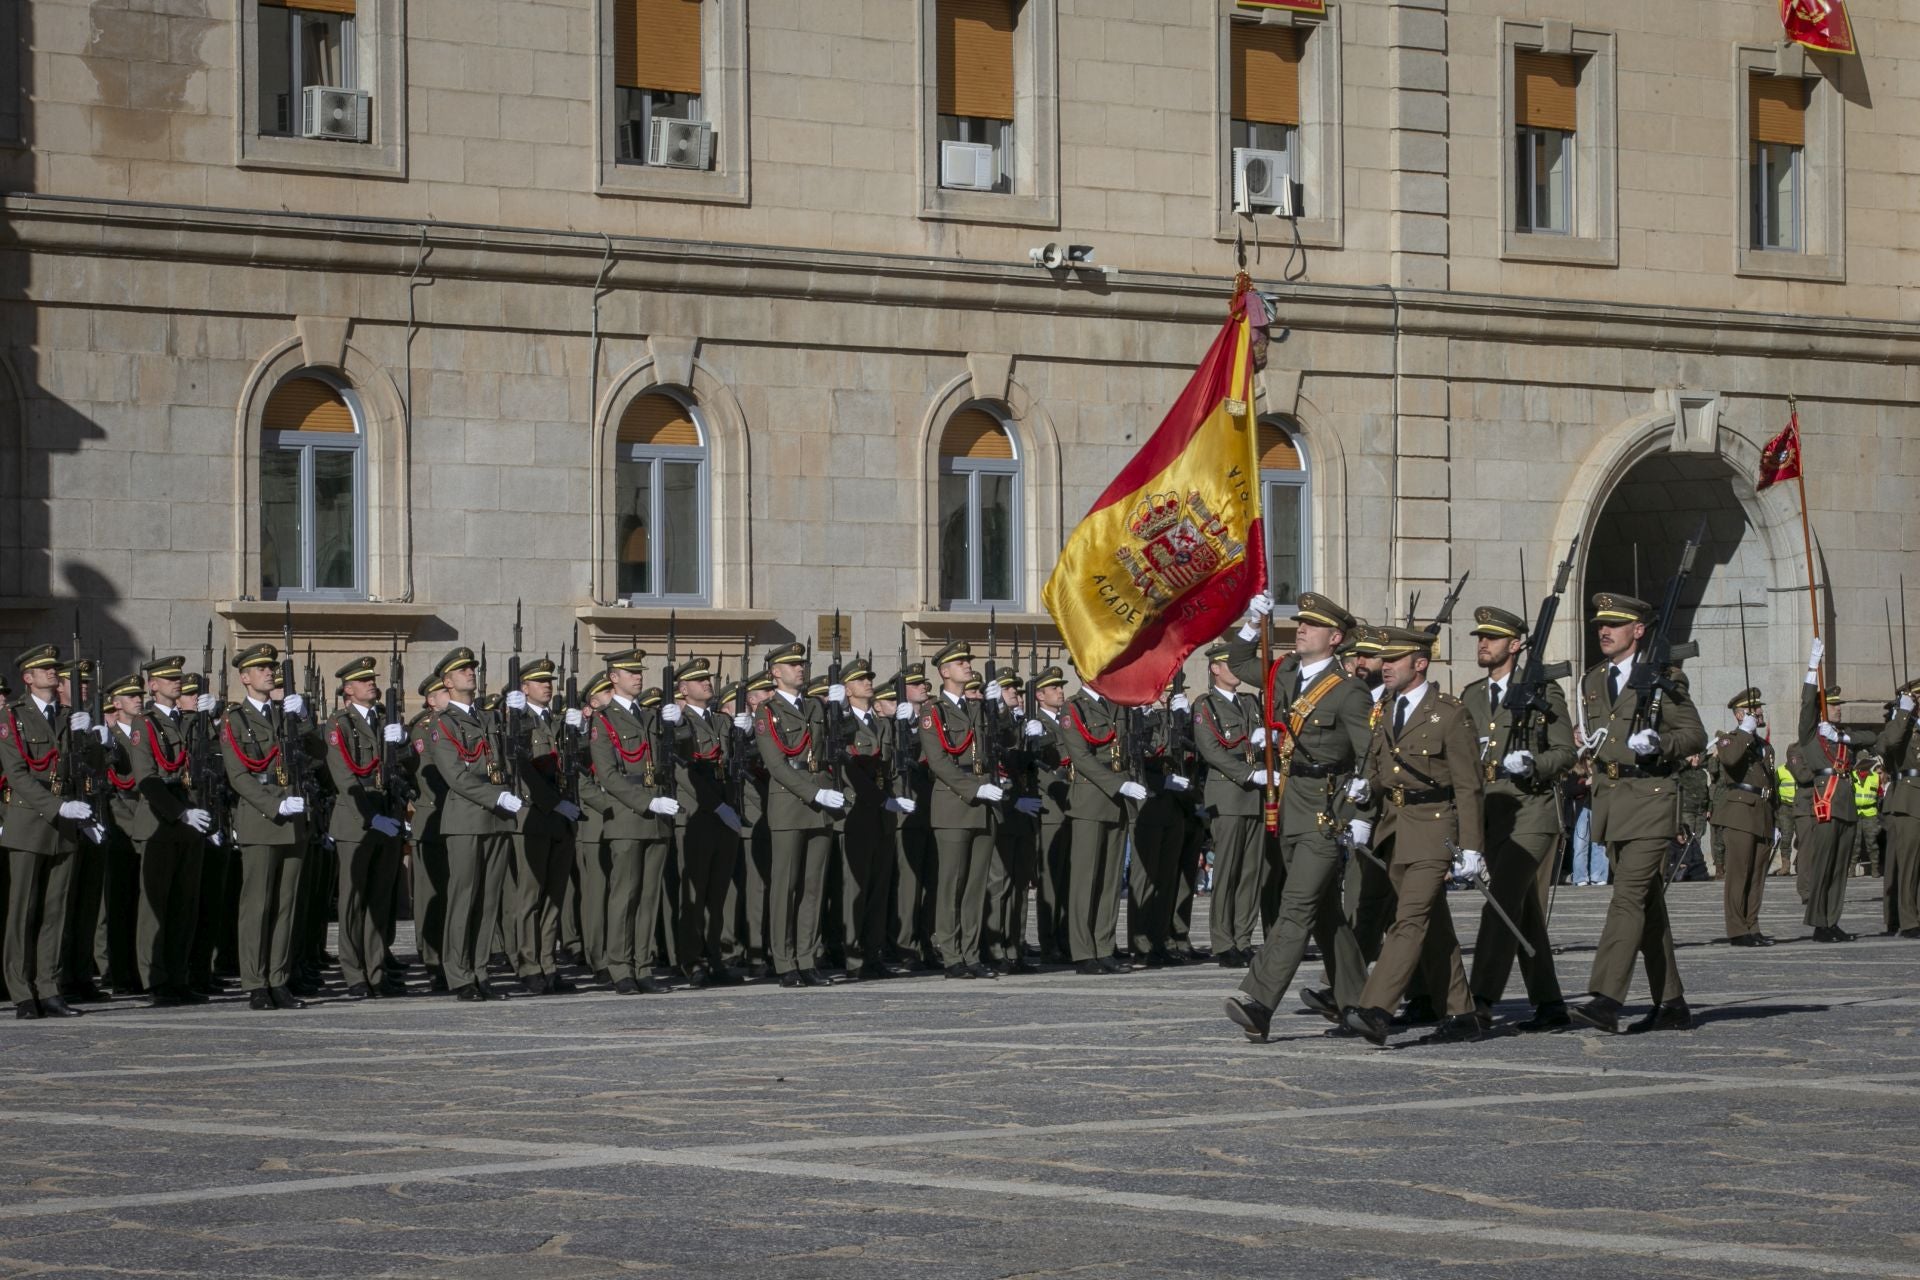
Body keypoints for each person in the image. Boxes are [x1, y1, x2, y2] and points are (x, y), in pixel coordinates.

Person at [1220, 592, 1372, 1038]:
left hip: (1326, 810)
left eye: (1312, 625)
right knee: (1326, 914)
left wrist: (1359, 811)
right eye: (1299, 622)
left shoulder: (1349, 692)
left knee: (1296, 906)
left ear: (1335, 638)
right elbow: (1239, 661)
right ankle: (1363, 1006)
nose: (1300, 629)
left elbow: (1372, 758)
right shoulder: (1284, 671)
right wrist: (1253, 621)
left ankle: (1260, 1002)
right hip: (1289, 804)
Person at [1337, 626, 1487, 1047]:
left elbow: (1469, 786)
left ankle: (1375, 1007)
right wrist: (1365, 798)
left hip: (1435, 827)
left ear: (1419, 664)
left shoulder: (1449, 712)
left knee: (1409, 920)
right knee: (1433, 925)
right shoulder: (1385, 709)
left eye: (1394, 660)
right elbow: (1379, 767)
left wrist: (1472, 846)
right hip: (1396, 827)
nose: (1384, 667)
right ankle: (1462, 1013)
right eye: (1383, 660)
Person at [1567, 593, 1706, 1034]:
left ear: (1639, 631)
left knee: (1626, 897)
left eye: (1615, 624)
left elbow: (1694, 735)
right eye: (1601, 625)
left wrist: (1660, 745)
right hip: (1610, 800)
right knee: (1647, 905)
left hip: (1650, 798)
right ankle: (1672, 1003)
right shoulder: (1592, 680)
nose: (1604, 631)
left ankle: (1606, 998)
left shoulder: (1665, 678)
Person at [1460, 605, 1574, 1031]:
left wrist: (1535, 763)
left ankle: (1481, 1000)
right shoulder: (1472, 695)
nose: (1482, 643)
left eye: (1492, 637)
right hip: (1491, 812)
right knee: (1522, 912)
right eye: (1479, 637)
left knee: (1501, 903)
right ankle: (1550, 1004)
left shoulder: (1544, 690)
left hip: (1531, 810)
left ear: (1516, 645)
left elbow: (1566, 752)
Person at [3, 644, 97, 1019]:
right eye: (44, 669)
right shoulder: (13, 718)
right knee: (22, 911)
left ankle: (49, 987)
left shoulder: (69, 716)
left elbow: (87, 768)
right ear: (27, 677)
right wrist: (57, 806)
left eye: (54, 669)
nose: (53, 673)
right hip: (29, 822)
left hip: (64, 827)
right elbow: (18, 775)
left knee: (55, 913)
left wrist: (91, 736)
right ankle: (22, 991)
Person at [220, 643, 314, 1012]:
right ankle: (255, 982)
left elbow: (317, 755)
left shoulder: (285, 714)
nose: (269, 673)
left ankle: (279, 978)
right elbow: (239, 776)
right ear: (244, 677)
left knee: (285, 906)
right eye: (260, 668)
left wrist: (305, 718)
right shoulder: (235, 719)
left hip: (295, 822)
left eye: (271, 668)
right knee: (257, 905)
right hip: (262, 820)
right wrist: (275, 804)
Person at [425, 647, 517, 1001]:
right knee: (463, 898)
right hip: (465, 819)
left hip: (497, 819)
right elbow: (456, 777)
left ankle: (481, 971)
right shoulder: (442, 724)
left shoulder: (490, 719)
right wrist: (496, 797)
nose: (470, 674)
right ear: (447, 682)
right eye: (462, 671)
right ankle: (459, 973)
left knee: (488, 900)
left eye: (472, 669)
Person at [590, 648, 683, 994]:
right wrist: (648, 802)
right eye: (630, 673)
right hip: (629, 817)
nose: (638, 676)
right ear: (614, 678)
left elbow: (680, 752)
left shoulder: (651, 716)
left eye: (639, 672)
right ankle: (620, 968)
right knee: (624, 897)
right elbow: (609, 776)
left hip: (657, 820)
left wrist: (681, 722)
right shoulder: (603, 720)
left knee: (648, 899)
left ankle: (643, 966)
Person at [128, 654, 214, 1005]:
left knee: (184, 906)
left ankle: (179, 977)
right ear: (152, 686)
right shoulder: (143, 724)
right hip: (161, 825)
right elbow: (147, 780)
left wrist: (210, 719)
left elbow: (207, 761)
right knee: (156, 909)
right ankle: (155, 979)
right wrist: (179, 813)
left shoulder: (188, 722)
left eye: (178, 678)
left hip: (190, 825)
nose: (176, 682)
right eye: (168, 679)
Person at [756, 642, 843, 987]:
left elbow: (839, 742)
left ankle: (807, 958)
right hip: (790, 805)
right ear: (776, 672)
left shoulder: (815, 707)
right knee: (786, 887)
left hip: (819, 807)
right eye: (792, 665)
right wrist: (813, 792)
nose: (800, 669)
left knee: (812, 887)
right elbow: (776, 764)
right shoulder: (768, 711)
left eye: (802, 664)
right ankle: (784, 961)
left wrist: (843, 709)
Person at [919, 640, 1002, 979]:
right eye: (960, 663)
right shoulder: (933, 712)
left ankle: (971, 953)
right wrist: (974, 788)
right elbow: (938, 761)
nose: (968, 665)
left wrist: (1001, 710)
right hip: (955, 804)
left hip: (984, 804)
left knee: (975, 886)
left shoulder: (977, 708)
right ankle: (951, 955)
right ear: (944, 672)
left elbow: (1004, 742)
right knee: (951, 884)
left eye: (968, 661)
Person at [1055, 663, 1143, 976]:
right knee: (1085, 881)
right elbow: (1082, 758)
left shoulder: (1116, 704)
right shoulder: (1073, 708)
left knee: (1109, 881)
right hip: (1091, 802)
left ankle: (1104, 947)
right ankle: (1083, 951)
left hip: (1118, 804)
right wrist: (1119, 783)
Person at [505, 657, 581, 995]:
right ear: (523, 688)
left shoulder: (557, 722)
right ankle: (528, 964)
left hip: (562, 820)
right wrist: (553, 803)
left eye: (549, 681)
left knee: (554, 897)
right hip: (534, 817)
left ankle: (548, 963)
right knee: (530, 897)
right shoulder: (518, 721)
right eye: (538, 681)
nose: (547, 685)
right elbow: (522, 768)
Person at [670, 655, 746, 986]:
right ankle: (691, 960)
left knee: (719, 894)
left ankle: (716, 957)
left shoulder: (721, 722)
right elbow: (682, 770)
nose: (707, 683)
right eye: (699, 680)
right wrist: (717, 806)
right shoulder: (679, 722)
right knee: (695, 893)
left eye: (708, 679)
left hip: (725, 815)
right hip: (698, 815)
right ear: (683, 688)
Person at [1192, 641, 1265, 971]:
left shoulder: (1251, 702)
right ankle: (1223, 942)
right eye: (1228, 664)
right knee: (1227, 872)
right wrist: (1250, 774)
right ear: (1215, 669)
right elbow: (1211, 751)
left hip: (1257, 797)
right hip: (1230, 793)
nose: (1236, 670)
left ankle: (1244, 938)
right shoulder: (1205, 705)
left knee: (1252, 871)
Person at [1793, 642, 1857, 942]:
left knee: (1840, 868)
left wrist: (1841, 734)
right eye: (1834, 705)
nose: (1839, 708)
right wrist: (1810, 669)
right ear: (1822, 709)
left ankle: (1833, 919)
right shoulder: (1811, 737)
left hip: (1846, 806)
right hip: (1826, 804)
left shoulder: (1841, 738)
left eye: (1839, 705)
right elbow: (1806, 708)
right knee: (1823, 866)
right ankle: (1819, 922)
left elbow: (1871, 737)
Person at [1712, 687, 1778, 946]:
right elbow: (1729, 759)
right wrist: (1744, 732)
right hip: (1739, 812)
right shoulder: (1729, 739)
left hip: (1763, 812)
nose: (1760, 712)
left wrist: (1776, 817)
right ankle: (1737, 929)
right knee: (1739, 873)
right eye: (1754, 709)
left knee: (1757, 875)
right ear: (1740, 715)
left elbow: (1769, 783)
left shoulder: (1764, 746)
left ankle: (1752, 924)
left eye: (1759, 708)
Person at [407, 672, 452, 990]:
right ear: (430, 700)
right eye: (441, 692)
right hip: (433, 818)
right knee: (432, 896)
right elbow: (426, 777)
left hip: (458, 818)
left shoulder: (457, 725)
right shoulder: (423, 730)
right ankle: (433, 958)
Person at [1873, 678, 1920, 938]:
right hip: (1908, 801)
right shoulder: (1901, 728)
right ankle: (1908, 920)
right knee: (1908, 865)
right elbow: (1886, 744)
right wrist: (1903, 712)